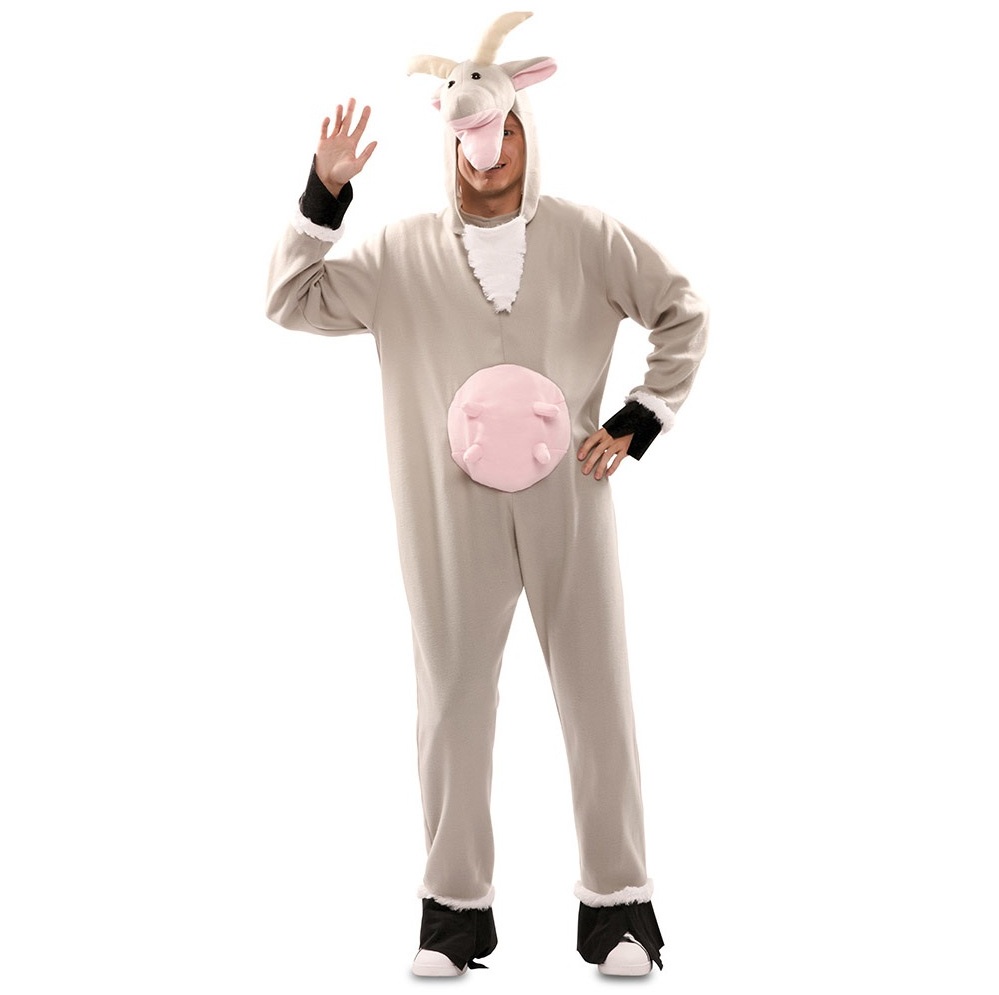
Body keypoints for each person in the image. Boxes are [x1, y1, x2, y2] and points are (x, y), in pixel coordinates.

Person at [266, 19, 708, 978]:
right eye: (474, 135)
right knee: (453, 699)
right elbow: (291, 299)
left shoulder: (586, 237)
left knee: (596, 694)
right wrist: (324, 193)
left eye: (506, 131)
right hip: (446, 508)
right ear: (451, 142)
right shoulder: (400, 254)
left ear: (524, 133)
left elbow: (680, 310)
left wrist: (638, 417)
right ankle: (454, 913)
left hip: (571, 496)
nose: (492, 150)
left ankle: (619, 910)